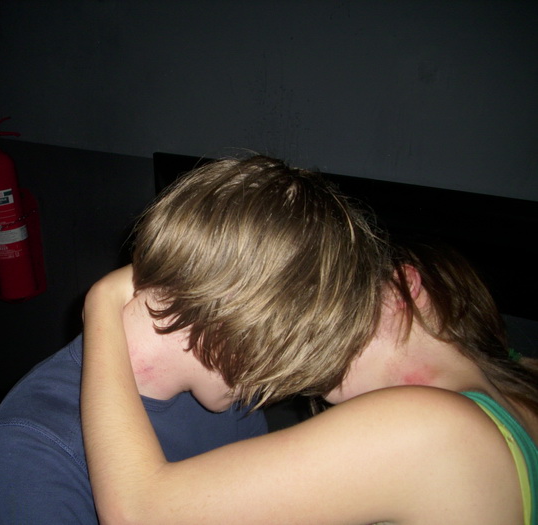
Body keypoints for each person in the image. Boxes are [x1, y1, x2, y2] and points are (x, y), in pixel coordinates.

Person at [81, 157, 538, 524]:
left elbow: (140, 513)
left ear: (405, 287)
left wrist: (101, 301)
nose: (306, 326)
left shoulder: (434, 428)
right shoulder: (520, 389)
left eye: (333, 299)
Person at [0, 152, 382, 523]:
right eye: (276, 359)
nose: (271, 390)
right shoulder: (35, 442)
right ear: (229, 314)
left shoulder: (228, 384)